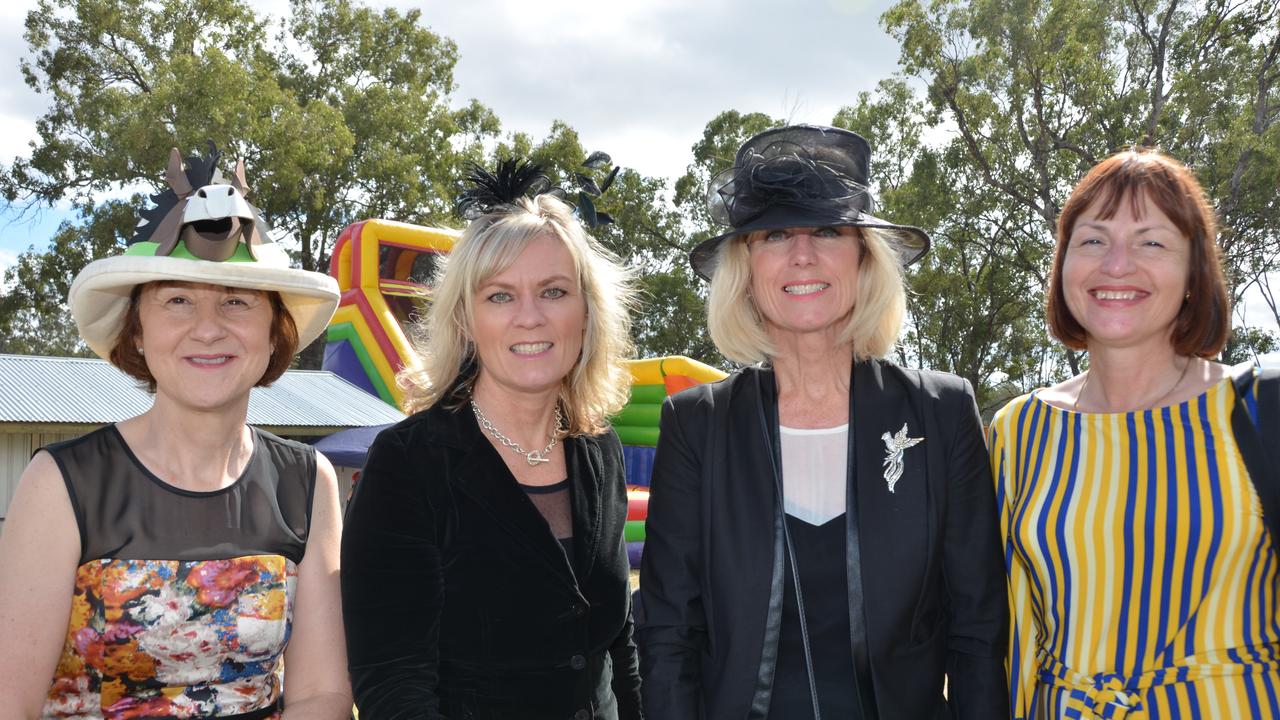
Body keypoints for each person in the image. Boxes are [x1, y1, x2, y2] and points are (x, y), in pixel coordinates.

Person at [636, 124, 1008, 719]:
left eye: (829, 231)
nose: (802, 255)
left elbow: (978, 630)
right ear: (746, 266)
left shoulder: (941, 413)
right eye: (776, 233)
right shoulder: (696, 425)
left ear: (864, 259)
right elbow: (669, 634)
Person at [0, 144, 350, 718]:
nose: (207, 329)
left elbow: (321, 693)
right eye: (178, 301)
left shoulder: (310, 481)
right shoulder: (63, 483)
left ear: (273, 332)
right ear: (137, 332)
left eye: (236, 301)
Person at [341, 159, 644, 720]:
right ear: (465, 320)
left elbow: (616, 645)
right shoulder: (409, 464)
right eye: (500, 296)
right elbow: (393, 681)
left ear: (586, 313)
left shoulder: (599, 449)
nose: (529, 317)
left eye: (553, 291)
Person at [989, 148, 1280, 718]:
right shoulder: (1017, 429)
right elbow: (1011, 631)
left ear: (1194, 274)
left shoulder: (1261, 408)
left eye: (1152, 242)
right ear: (1063, 266)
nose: (1116, 265)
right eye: (1093, 240)